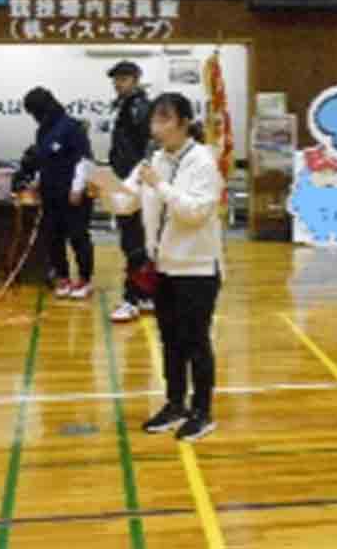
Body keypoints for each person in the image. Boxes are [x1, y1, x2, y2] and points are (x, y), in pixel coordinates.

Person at [118, 93, 224, 442]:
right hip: (162, 266)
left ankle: (202, 411)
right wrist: (102, 189)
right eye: (154, 120)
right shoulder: (154, 159)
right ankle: (175, 403)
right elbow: (125, 202)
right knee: (171, 340)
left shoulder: (203, 162)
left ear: (184, 123)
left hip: (196, 268)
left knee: (196, 341)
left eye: (164, 119)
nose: (156, 127)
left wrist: (159, 185)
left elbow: (194, 212)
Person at [23, 87, 94, 299]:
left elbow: (84, 159)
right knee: (53, 237)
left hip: (73, 194)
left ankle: (84, 279)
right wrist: (37, 181)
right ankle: (63, 277)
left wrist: (77, 188)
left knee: (78, 237)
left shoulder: (72, 127)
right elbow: (43, 161)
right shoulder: (42, 131)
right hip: (50, 193)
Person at [107, 61, 153, 323]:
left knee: (134, 244)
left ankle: (132, 298)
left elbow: (147, 147)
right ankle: (144, 295)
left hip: (135, 184)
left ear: (135, 79)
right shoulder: (125, 106)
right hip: (125, 181)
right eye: (115, 79)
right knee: (136, 243)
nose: (117, 83)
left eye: (123, 79)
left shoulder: (140, 108)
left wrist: (139, 179)